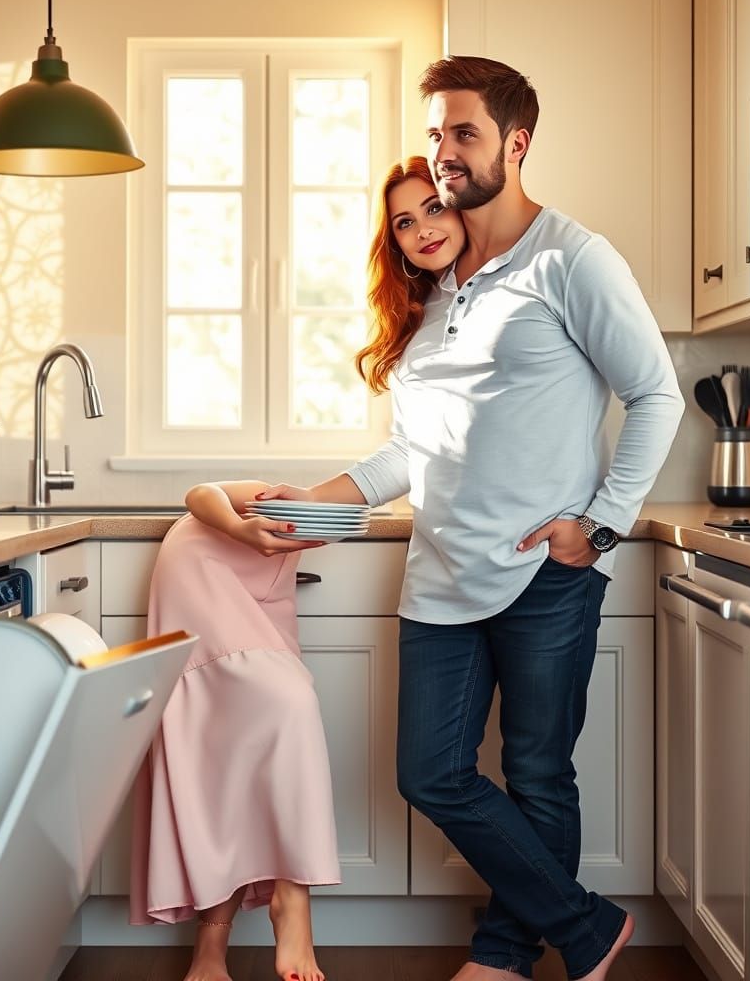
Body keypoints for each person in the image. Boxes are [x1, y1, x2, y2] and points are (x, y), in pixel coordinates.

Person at [257, 55, 685, 981]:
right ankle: (586, 927)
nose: (444, 154)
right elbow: (409, 454)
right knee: (431, 774)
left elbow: (656, 395)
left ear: (514, 143)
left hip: (544, 574)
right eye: (435, 134)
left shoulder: (572, 258)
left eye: (463, 133)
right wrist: (306, 501)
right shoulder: (440, 289)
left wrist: (602, 525)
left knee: (537, 775)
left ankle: (502, 954)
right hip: (440, 575)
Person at [129, 479, 340, 981]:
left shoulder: (342, 514)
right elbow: (199, 493)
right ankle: (289, 903)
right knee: (281, 712)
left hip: (263, 608)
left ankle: (217, 943)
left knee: (233, 757)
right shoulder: (276, 493)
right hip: (197, 576)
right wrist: (242, 530)